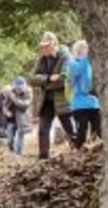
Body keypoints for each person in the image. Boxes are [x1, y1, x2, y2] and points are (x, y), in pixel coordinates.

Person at [28, 32, 74, 160]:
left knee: (69, 128)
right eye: (43, 46)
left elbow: (65, 79)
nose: (44, 49)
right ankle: (43, 157)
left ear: (54, 44)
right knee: (43, 130)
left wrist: (44, 83)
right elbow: (31, 79)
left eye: (47, 46)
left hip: (62, 99)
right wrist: (48, 79)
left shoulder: (66, 57)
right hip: (46, 100)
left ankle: (78, 151)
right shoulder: (41, 59)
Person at [68, 39, 101, 147]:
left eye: (86, 47)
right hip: (79, 104)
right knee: (81, 132)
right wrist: (87, 58)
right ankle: (77, 150)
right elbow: (76, 72)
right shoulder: (73, 63)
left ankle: (96, 152)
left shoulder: (93, 64)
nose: (86, 50)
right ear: (77, 50)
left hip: (93, 103)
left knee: (98, 131)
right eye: (83, 47)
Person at [4, 77, 32, 155]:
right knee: (9, 139)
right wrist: (6, 111)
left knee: (20, 136)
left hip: (22, 118)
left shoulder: (28, 93)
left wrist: (14, 98)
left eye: (20, 88)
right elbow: (5, 105)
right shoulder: (10, 92)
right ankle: (12, 150)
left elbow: (24, 105)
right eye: (17, 88)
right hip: (11, 118)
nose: (18, 90)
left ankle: (18, 153)